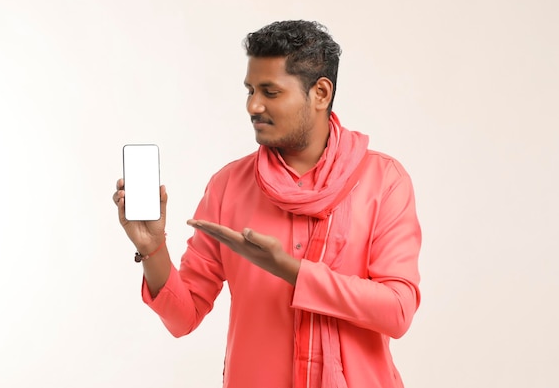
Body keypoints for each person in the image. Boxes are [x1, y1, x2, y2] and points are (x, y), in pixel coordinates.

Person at [113, 20, 421, 388]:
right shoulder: (229, 185)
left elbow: (397, 310)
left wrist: (290, 269)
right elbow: (184, 317)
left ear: (321, 93)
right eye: (250, 90)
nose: (253, 106)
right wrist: (152, 250)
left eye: (270, 92)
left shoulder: (383, 180)